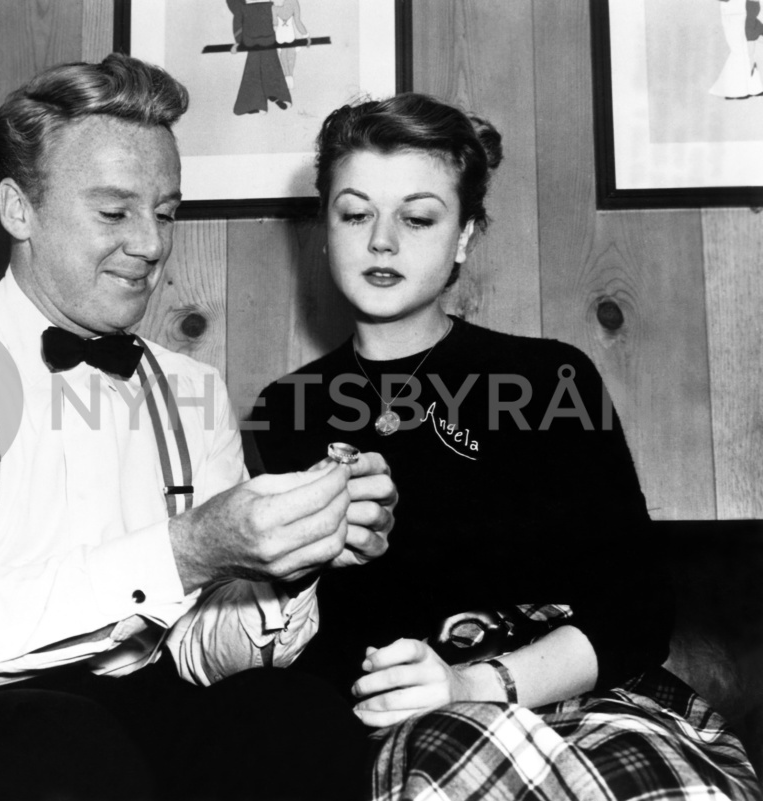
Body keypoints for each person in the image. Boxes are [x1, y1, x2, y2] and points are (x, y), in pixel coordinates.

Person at [0, 53, 397, 801]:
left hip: (126, 705)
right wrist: (186, 549)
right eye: (114, 212)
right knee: (59, 746)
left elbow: (205, 652)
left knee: (298, 716)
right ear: (19, 210)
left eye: (167, 211)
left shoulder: (193, 390)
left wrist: (292, 559)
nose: (150, 243)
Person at [251, 93, 761, 799]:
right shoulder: (286, 411)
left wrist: (471, 684)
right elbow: (293, 649)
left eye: (419, 216)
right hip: (398, 738)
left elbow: (634, 609)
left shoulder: (548, 379)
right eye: (356, 212)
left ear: (464, 236)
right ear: (325, 227)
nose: (382, 241)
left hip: (591, 708)